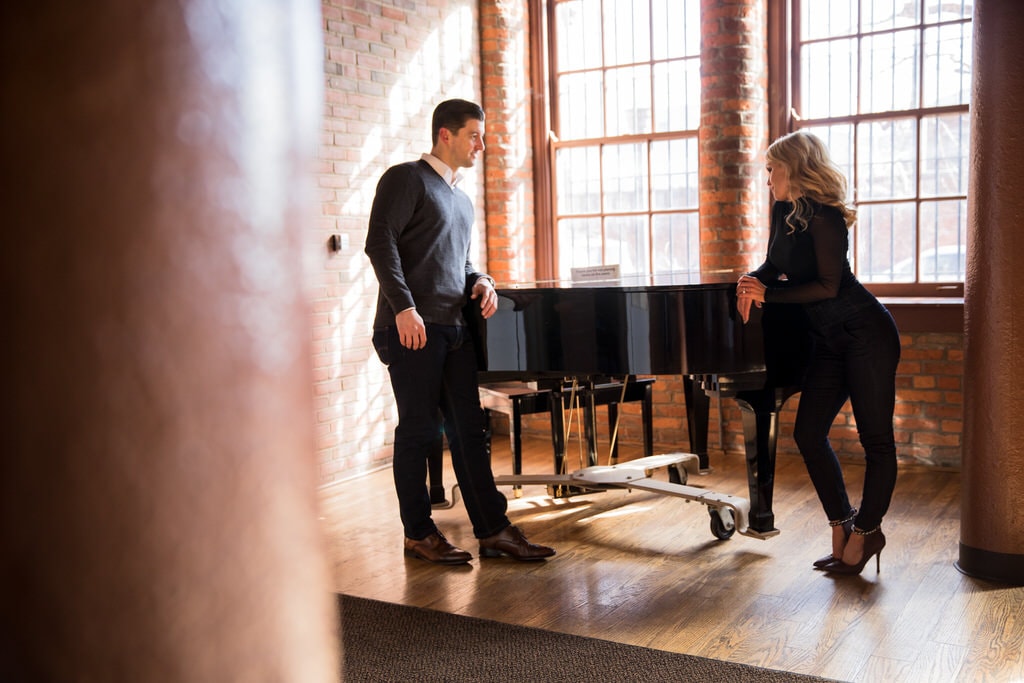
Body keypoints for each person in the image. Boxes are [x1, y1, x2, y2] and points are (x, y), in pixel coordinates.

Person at [365, 98, 555, 565]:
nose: (481, 145)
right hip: (410, 328)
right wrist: (404, 307)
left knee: (470, 432)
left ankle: (493, 530)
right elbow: (379, 243)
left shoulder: (462, 199)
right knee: (419, 431)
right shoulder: (406, 178)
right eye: (474, 135)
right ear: (444, 134)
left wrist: (482, 280)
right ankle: (418, 533)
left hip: (452, 330)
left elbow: (459, 263)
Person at [736, 131, 901, 576]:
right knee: (808, 434)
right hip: (828, 341)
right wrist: (751, 281)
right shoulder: (782, 210)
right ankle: (841, 523)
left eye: (772, 169)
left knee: (877, 441)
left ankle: (868, 531)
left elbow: (828, 286)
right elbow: (775, 266)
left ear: (793, 168)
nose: (767, 178)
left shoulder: (825, 218)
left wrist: (768, 295)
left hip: (865, 333)